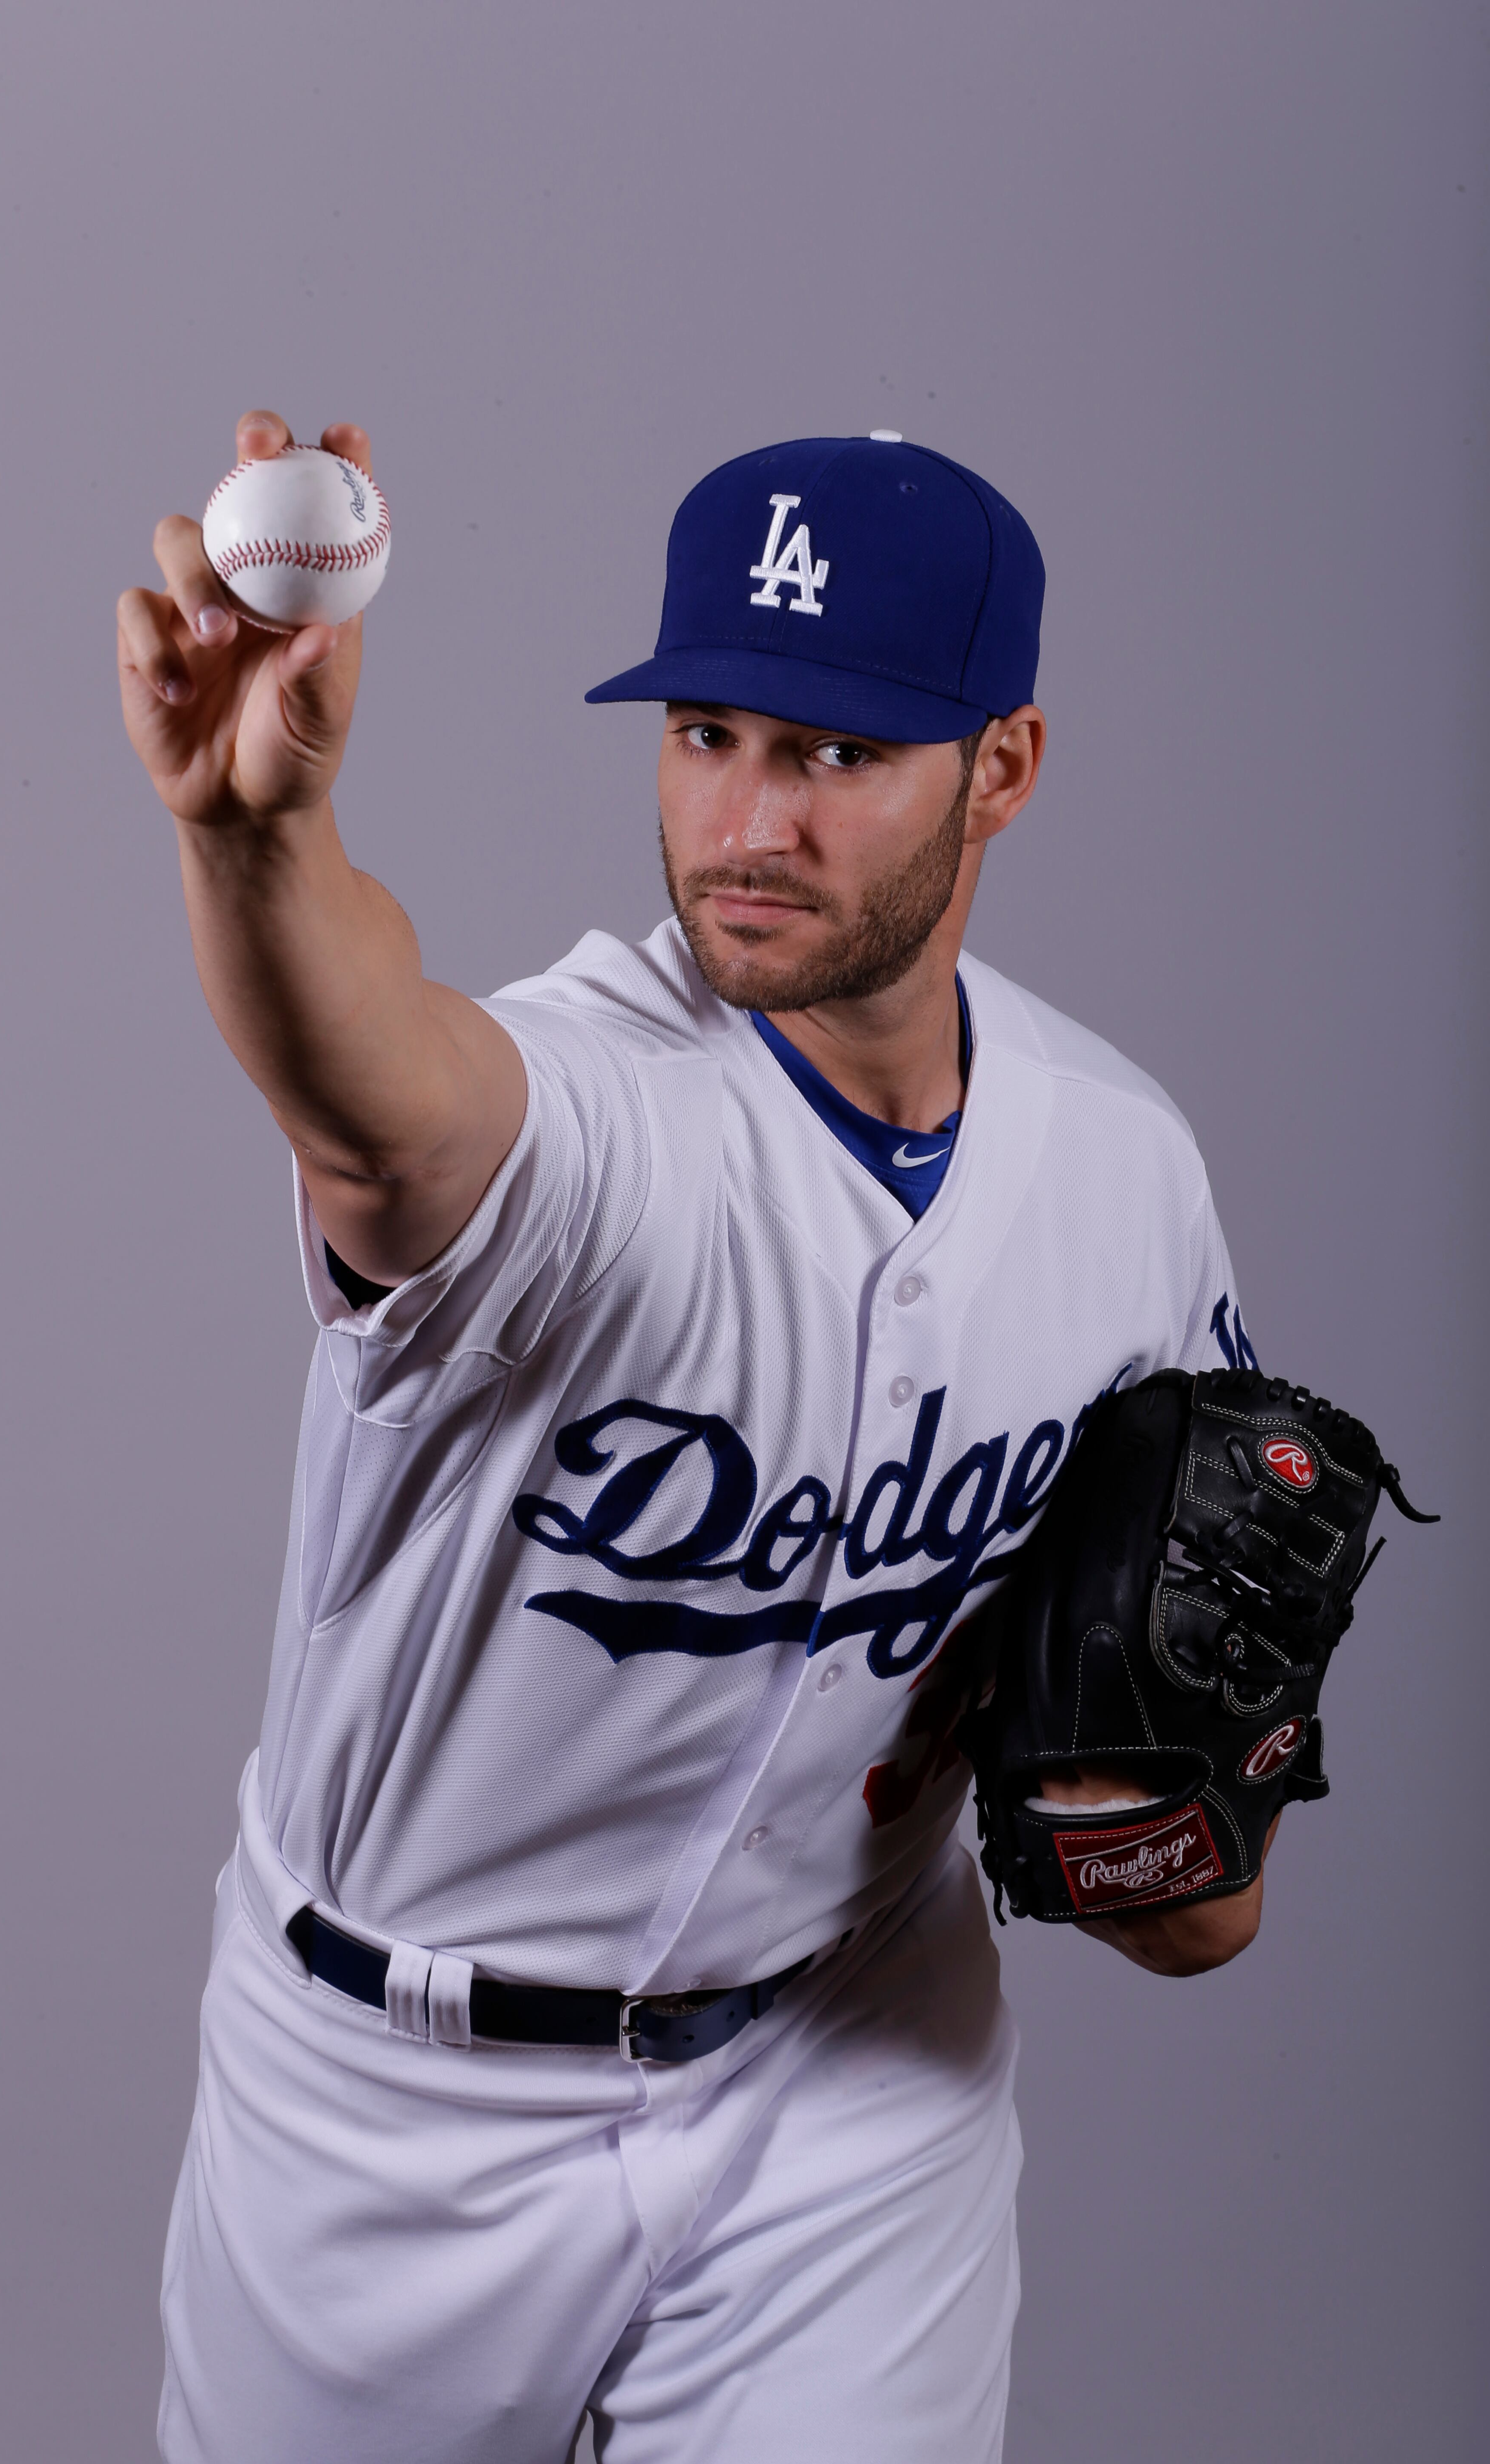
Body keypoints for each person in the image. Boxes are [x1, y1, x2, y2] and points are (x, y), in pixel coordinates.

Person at [118, 413, 1266, 2464]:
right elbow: (385, 1096)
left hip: (851, 2072)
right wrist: (253, 843)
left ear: (1000, 766)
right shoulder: (590, 1111)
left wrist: (1166, 1818)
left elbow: (1194, 1902)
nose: (750, 819)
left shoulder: (1127, 1178)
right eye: (711, 730)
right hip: (390, 2108)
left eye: (835, 754)